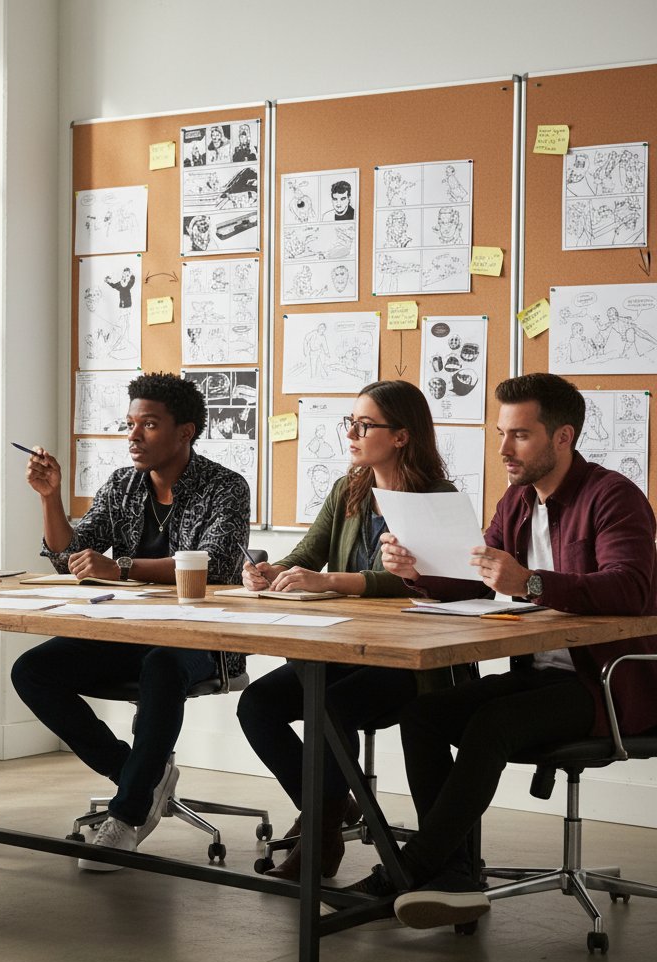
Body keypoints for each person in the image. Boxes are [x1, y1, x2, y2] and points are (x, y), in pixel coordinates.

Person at [368, 372, 657, 929]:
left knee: (492, 723)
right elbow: (482, 579)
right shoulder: (519, 500)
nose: (503, 449)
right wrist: (417, 574)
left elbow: (632, 589)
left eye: (519, 435)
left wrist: (533, 583)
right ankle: (453, 873)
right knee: (422, 714)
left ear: (562, 437)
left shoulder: (613, 496)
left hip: (603, 685)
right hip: (541, 675)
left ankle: (413, 869)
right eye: (501, 433)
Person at [10, 372, 249, 870]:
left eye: (150, 425)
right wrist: (50, 498)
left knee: (163, 663)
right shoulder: (122, 484)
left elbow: (215, 564)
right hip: (125, 632)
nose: (134, 437)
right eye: (130, 425)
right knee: (33, 670)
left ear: (185, 431)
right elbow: (68, 556)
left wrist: (120, 567)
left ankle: (128, 809)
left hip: (201, 641)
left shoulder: (225, 487)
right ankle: (140, 775)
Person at [236, 380, 458, 881]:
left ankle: (324, 829)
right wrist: (273, 572)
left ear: (401, 436)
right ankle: (329, 816)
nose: (352, 433)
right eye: (349, 423)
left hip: (406, 661)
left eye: (364, 425)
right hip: (342, 647)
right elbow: (308, 554)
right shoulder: (349, 489)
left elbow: (416, 582)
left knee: (327, 706)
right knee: (258, 705)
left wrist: (331, 580)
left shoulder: (435, 498)